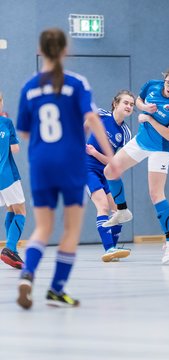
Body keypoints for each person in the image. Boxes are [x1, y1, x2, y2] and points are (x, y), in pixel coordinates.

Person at [16, 28, 116, 309]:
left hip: (41, 163)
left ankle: (28, 275)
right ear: (65, 50)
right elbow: (93, 119)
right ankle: (56, 289)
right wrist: (112, 158)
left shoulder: (30, 86)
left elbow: (24, 132)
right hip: (71, 163)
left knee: (43, 228)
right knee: (71, 229)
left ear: (40, 50)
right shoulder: (77, 83)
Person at [103, 65, 169, 264]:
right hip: (140, 142)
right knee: (110, 170)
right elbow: (139, 101)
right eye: (168, 82)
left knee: (156, 194)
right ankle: (122, 210)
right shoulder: (152, 86)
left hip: (160, 148)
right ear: (164, 78)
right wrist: (143, 108)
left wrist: (150, 118)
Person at [85, 90, 135, 262]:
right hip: (87, 168)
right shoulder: (101, 114)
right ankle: (109, 249)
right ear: (115, 104)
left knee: (118, 211)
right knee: (103, 206)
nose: (129, 106)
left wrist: (95, 153)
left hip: (106, 172)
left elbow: (113, 161)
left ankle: (112, 248)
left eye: (131, 104)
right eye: (126, 103)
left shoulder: (126, 133)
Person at [0, 92, 26, 269]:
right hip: (7, 174)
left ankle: (12, 249)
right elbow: (15, 149)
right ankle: (9, 248)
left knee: (11, 208)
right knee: (21, 211)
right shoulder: (6, 122)